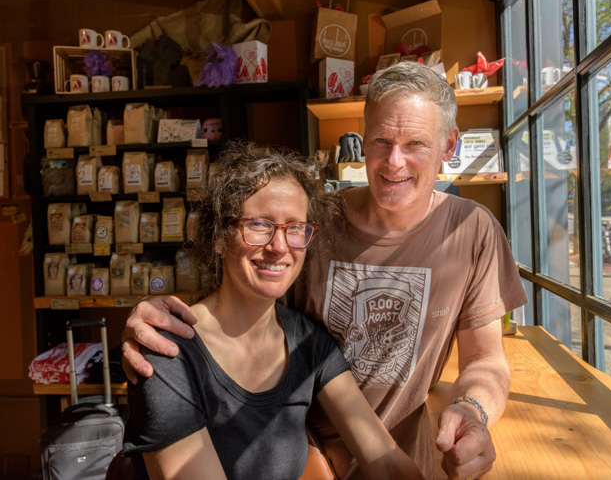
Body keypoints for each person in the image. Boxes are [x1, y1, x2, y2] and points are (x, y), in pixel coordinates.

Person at [122, 62, 528, 479]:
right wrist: (153, 319)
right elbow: (239, 301)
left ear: (449, 144)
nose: (394, 162)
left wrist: (472, 409)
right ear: (362, 139)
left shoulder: (471, 230)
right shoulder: (313, 220)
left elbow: (485, 359)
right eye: (381, 140)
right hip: (303, 463)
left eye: (415, 143)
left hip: (401, 457)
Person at [123, 142, 423, 480]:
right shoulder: (167, 352)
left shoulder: (310, 344)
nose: (279, 247)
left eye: (295, 228)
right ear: (219, 237)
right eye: (259, 224)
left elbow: (385, 461)